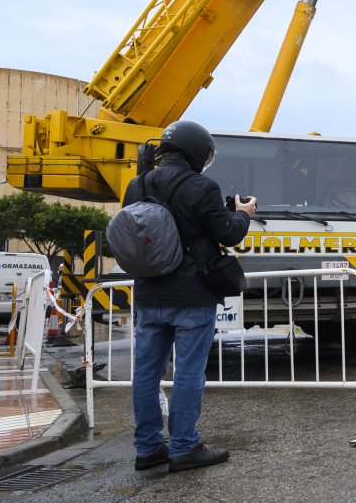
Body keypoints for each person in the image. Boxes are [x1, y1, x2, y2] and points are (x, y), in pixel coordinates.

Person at [126, 120, 256, 473]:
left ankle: (148, 448)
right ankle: (184, 447)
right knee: (188, 373)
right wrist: (242, 214)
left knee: (146, 374)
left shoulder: (136, 186)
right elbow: (227, 234)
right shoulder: (201, 186)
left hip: (149, 294)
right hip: (192, 295)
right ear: (196, 153)